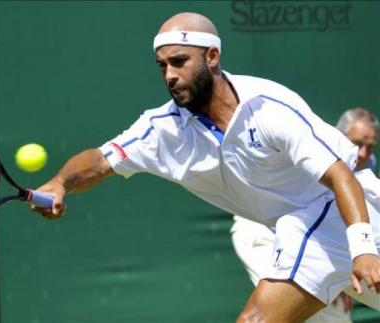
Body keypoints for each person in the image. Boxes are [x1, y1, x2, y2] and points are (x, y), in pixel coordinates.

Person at [31, 12, 380, 322]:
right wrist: (61, 182)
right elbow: (101, 160)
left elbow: (339, 175)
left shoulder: (266, 107)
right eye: (162, 65)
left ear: (212, 56)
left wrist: (363, 247)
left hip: (347, 208)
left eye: (179, 61)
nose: (169, 75)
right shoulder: (163, 129)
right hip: (299, 228)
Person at [231, 108, 379, 323]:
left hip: (332, 244)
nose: (363, 153)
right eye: (357, 143)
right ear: (339, 136)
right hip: (266, 232)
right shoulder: (314, 151)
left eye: (370, 146)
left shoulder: (367, 170)